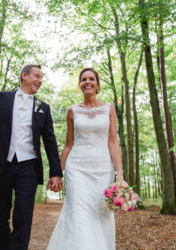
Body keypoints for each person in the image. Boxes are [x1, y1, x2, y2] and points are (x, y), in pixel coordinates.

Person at [0, 64, 63, 250]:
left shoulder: (43, 108)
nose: (40, 80)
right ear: (24, 76)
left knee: (23, 216)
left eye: (42, 77)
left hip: (29, 166)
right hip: (0, 163)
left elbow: (50, 141)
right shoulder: (1, 98)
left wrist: (56, 172)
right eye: (36, 76)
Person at [47, 68, 127, 250]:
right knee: (77, 214)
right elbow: (68, 144)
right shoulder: (72, 111)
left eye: (92, 79)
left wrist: (119, 175)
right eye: (84, 79)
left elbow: (113, 142)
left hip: (102, 169)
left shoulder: (109, 109)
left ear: (97, 85)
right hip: (77, 169)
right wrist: (57, 173)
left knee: (101, 215)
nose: (88, 82)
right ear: (80, 85)